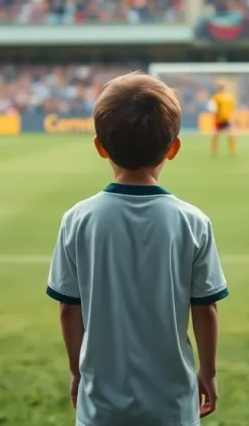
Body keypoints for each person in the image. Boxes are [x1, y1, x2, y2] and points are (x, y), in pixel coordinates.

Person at [46, 73, 228, 426]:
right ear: (173, 148)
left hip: (101, 402)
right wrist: (208, 370)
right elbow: (205, 308)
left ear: (100, 146)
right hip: (172, 402)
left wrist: (76, 371)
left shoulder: (77, 219)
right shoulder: (193, 221)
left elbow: (69, 309)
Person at [210, 82, 236, 157]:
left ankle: (215, 150)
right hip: (224, 118)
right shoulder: (229, 97)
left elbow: (213, 109)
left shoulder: (217, 97)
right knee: (228, 134)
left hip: (222, 118)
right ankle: (231, 151)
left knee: (219, 135)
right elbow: (232, 108)